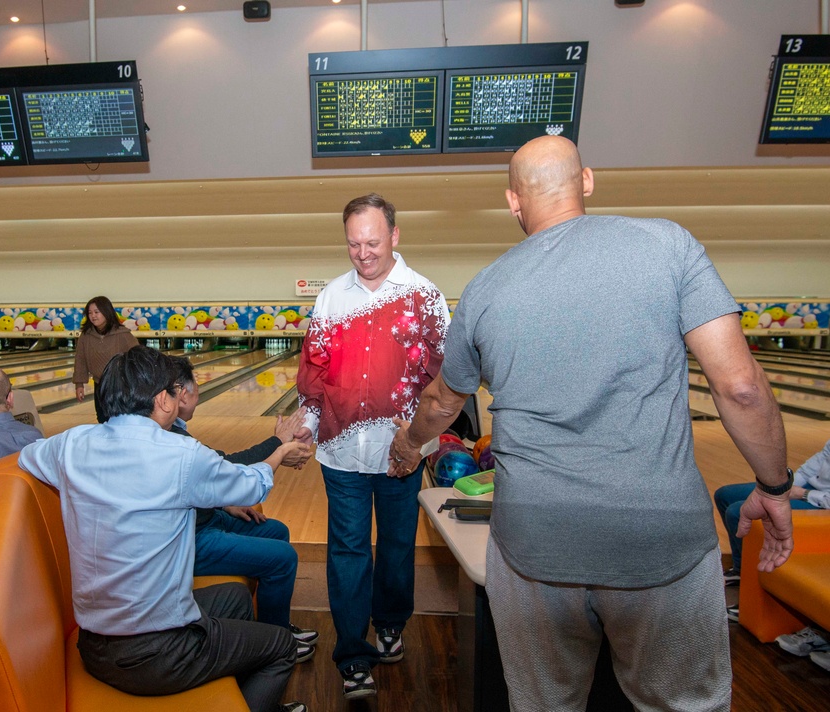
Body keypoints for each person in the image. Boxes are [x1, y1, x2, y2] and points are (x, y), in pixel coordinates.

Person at [389, 136, 794, 711]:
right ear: (587, 181)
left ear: (512, 201)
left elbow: (440, 403)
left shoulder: (482, 289)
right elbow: (742, 387)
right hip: (661, 541)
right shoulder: (668, 246)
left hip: (535, 546)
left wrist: (408, 445)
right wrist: (775, 487)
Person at [18, 346, 310, 712]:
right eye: (174, 390)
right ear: (164, 400)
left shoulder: (70, 445)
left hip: (94, 647)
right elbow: (251, 485)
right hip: (158, 655)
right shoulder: (181, 454)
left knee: (235, 599)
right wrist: (280, 453)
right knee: (280, 648)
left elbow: (25, 456)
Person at [295, 193, 449, 700]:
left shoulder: (425, 296)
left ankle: (391, 622)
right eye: (354, 243)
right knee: (347, 550)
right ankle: (352, 653)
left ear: (395, 236)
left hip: (400, 452)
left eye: (373, 242)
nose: (363, 253)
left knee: (399, 547)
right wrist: (308, 418)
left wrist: (420, 439)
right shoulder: (330, 298)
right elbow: (315, 370)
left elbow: (443, 378)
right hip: (340, 451)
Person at [169, 357, 318, 662]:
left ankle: (274, 623)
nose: (200, 387)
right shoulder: (170, 438)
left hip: (204, 516)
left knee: (277, 531)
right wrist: (277, 446)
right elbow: (226, 466)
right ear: (181, 393)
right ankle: (274, 641)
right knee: (283, 558)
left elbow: (200, 480)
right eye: (195, 381)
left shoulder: (173, 429)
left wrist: (224, 501)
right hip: (191, 538)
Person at [716, 437, 829, 589]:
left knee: (736, 512)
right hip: (811, 489)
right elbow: (818, 462)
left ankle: (752, 585)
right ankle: (741, 570)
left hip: (822, 502)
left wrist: (802, 494)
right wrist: (784, 488)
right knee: (725, 495)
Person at [73, 295, 138, 423]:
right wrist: (79, 384)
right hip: (99, 384)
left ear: (106, 312)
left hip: (119, 384)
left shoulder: (122, 334)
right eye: (90, 313)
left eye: (97, 312)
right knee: (102, 418)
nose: (93, 316)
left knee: (119, 418)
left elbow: (137, 356)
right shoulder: (86, 336)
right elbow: (80, 359)